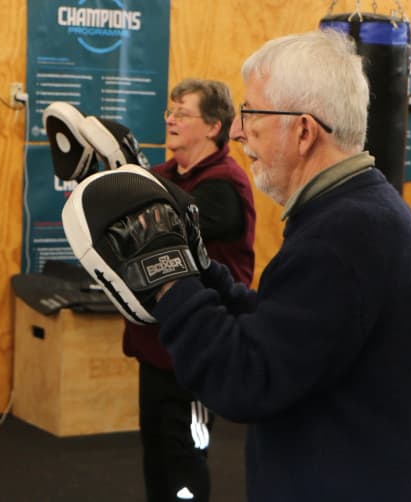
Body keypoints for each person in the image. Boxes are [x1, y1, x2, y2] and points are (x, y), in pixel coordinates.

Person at [63, 28, 411, 501]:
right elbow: (282, 334)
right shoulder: (357, 212)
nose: (241, 130)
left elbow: (245, 379)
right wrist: (202, 270)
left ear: (304, 130)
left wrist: (170, 281)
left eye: (253, 114)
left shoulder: (342, 236)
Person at [123, 79, 255, 502]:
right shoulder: (161, 177)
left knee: (185, 460)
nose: (170, 119)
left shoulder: (222, 187)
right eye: (170, 111)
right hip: (155, 347)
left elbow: (172, 222)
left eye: (183, 113)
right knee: (156, 456)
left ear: (214, 126)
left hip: (197, 354)